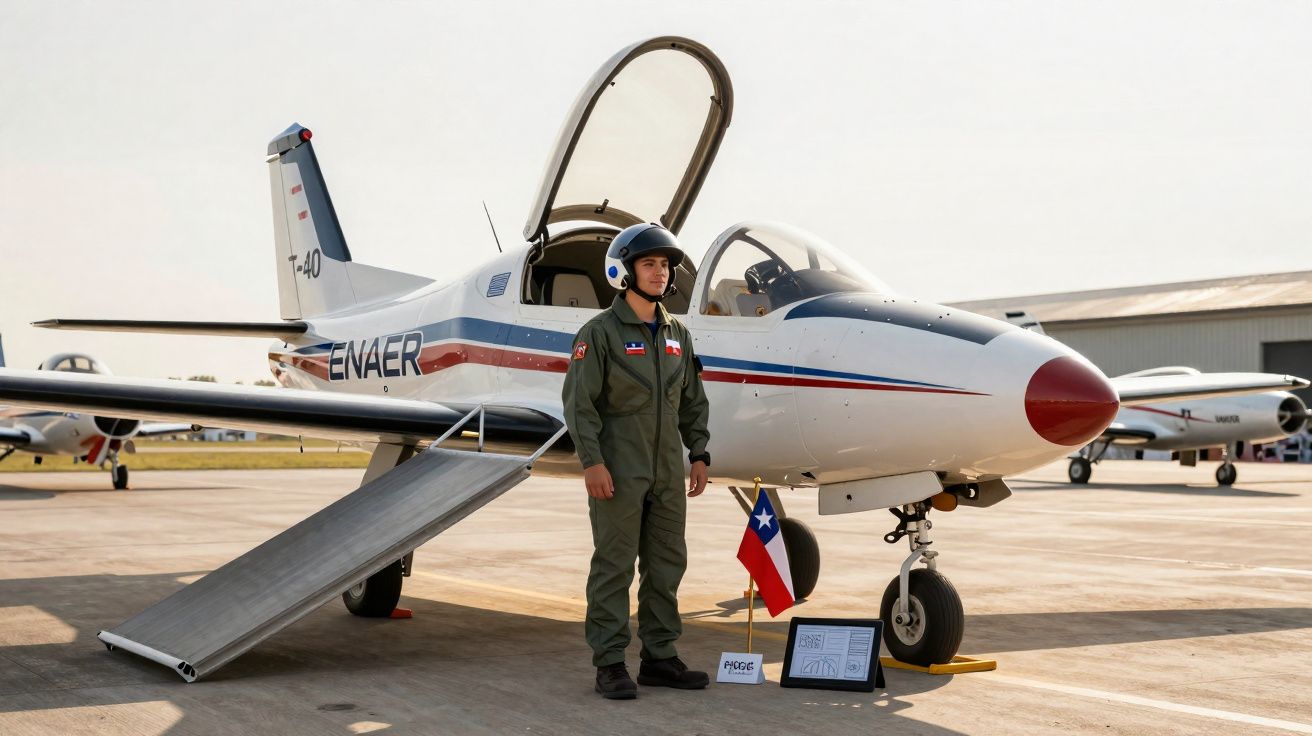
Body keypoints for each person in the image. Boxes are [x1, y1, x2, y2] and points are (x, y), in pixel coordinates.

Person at [562, 222, 712, 700]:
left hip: (668, 471)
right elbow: (579, 404)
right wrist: (592, 462)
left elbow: (692, 400)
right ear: (625, 272)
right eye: (649, 264)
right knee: (614, 566)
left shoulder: (677, 335)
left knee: (667, 565)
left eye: (665, 266)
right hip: (618, 470)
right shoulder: (599, 334)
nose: (659, 273)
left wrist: (700, 451)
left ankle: (660, 658)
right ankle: (609, 663)